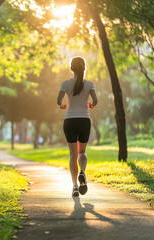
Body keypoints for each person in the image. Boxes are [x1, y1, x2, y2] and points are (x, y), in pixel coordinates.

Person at [57, 56, 98, 197]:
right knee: (82, 152)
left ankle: (74, 186)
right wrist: (91, 105)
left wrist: (62, 106)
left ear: (71, 69)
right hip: (84, 120)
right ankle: (82, 172)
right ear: (84, 68)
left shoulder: (65, 84)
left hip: (70, 121)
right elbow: (95, 101)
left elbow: (58, 100)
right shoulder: (90, 84)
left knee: (72, 155)